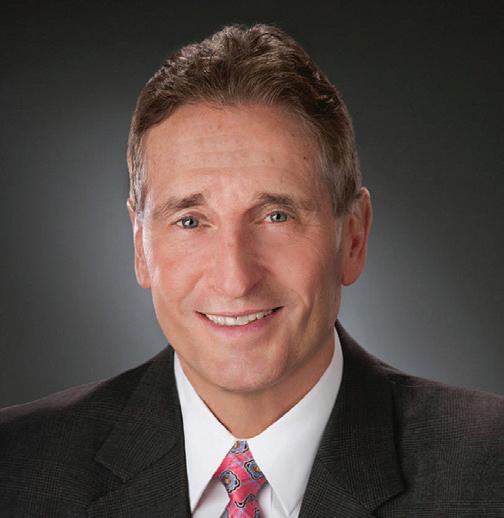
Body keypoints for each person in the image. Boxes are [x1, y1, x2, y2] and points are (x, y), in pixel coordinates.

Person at [0, 24, 502, 518]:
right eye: (190, 221)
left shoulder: (487, 471)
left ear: (353, 236)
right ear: (140, 245)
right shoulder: (17, 468)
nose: (235, 279)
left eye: (277, 216)